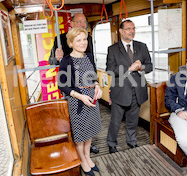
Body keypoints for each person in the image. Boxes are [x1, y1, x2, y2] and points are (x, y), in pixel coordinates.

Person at [49, 13, 99, 154]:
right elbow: (52, 61)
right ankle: (77, 150)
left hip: (88, 87)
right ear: (71, 23)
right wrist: (55, 57)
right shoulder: (60, 39)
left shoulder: (88, 39)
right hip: (72, 88)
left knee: (90, 124)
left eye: (84, 22)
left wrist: (97, 85)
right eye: (79, 22)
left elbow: (92, 66)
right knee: (77, 125)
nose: (82, 24)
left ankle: (88, 148)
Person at [58, 27, 102, 176]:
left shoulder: (89, 56)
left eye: (84, 39)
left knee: (89, 131)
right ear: (71, 43)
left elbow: (94, 76)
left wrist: (97, 86)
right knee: (79, 134)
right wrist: (80, 96)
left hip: (92, 99)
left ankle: (88, 157)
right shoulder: (66, 60)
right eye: (78, 40)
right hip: (77, 101)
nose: (83, 43)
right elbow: (62, 84)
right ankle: (82, 161)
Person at [106, 19, 152, 154]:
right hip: (120, 91)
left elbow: (149, 66)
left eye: (133, 28)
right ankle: (111, 143)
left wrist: (140, 67)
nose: (132, 31)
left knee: (133, 120)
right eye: (128, 29)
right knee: (115, 121)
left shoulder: (142, 46)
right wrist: (129, 68)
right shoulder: (113, 49)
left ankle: (132, 141)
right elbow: (110, 70)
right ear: (121, 31)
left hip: (137, 91)